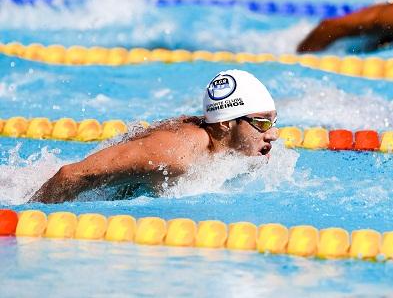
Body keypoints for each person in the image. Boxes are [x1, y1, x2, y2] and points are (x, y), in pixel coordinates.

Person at [30, 70, 279, 204]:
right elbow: (71, 176)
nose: (274, 134)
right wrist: (33, 217)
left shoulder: (242, 149)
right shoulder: (174, 154)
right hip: (36, 189)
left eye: (274, 121)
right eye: (262, 122)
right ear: (226, 123)